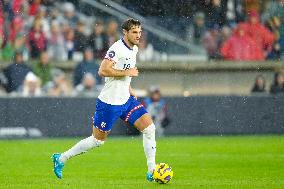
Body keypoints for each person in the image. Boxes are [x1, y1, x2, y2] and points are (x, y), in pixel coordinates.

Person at [52, 18, 157, 182]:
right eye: (134, 32)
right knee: (97, 141)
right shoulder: (117, 48)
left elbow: (125, 72)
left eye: (140, 32)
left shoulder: (134, 49)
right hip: (110, 103)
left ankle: (152, 170)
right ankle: (61, 158)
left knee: (149, 128)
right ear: (125, 32)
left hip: (126, 100)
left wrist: (129, 88)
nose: (138, 35)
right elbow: (103, 70)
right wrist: (127, 73)